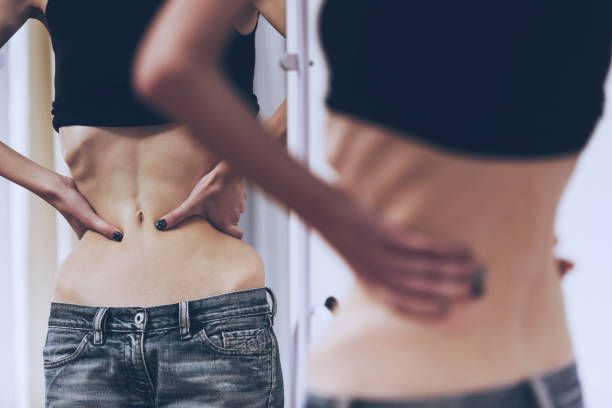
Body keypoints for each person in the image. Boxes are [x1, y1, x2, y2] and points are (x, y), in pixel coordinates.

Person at [134, 1, 612, 407]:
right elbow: (172, 65)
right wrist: (338, 220)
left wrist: (517, 225)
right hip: (399, 379)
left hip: (547, 375)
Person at [0, 0, 291, 406]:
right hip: (86, 337)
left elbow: (338, 58)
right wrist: (53, 187)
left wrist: (240, 165)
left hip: (219, 325)